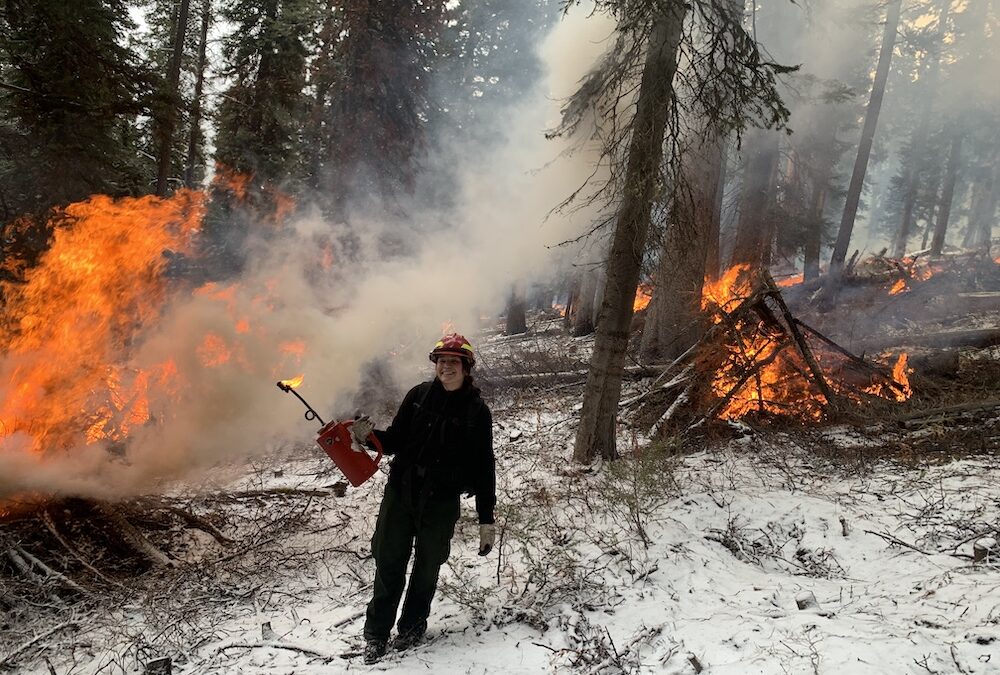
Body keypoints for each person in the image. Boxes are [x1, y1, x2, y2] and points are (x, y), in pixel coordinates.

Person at [351, 333, 496, 664]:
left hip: (441, 501)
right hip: (402, 493)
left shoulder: (477, 411)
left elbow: (485, 466)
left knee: (427, 566)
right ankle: (376, 635)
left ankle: (413, 628)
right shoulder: (417, 395)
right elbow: (397, 440)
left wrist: (486, 518)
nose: (447, 367)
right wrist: (370, 438)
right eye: (442, 361)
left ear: (466, 367)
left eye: (454, 362)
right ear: (436, 364)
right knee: (389, 561)